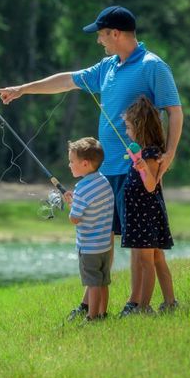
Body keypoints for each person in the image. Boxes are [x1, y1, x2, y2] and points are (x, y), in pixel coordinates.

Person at [0, 5, 183, 318]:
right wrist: (22, 89)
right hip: (104, 172)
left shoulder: (153, 67)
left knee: (139, 242)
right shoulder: (107, 67)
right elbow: (67, 80)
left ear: (116, 33)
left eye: (102, 35)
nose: (99, 42)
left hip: (137, 170)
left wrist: (169, 154)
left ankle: (136, 304)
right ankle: (88, 305)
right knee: (100, 235)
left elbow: (174, 111)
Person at [121, 95, 178, 315]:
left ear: (139, 127)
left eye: (128, 127)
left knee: (148, 262)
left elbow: (151, 185)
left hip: (146, 215)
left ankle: (144, 306)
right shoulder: (142, 153)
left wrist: (143, 167)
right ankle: (170, 302)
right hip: (141, 215)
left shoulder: (151, 154)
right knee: (156, 258)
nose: (126, 132)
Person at [64, 137, 114, 321]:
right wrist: (76, 201)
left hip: (89, 247)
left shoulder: (81, 189)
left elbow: (75, 218)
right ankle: (102, 313)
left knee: (93, 283)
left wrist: (72, 205)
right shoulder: (103, 182)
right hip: (104, 246)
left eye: (71, 161)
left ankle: (92, 317)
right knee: (103, 282)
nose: (69, 165)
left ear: (84, 164)